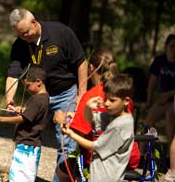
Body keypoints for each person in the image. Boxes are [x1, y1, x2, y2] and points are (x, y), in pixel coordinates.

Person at [5, 8, 88, 181]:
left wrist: (82, 94)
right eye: (20, 34)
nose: (24, 37)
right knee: (27, 133)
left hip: (65, 93)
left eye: (26, 32)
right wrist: (9, 98)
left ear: (34, 22)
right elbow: (13, 73)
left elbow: (81, 62)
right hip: (39, 97)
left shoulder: (60, 33)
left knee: (67, 141)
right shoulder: (20, 44)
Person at [54, 49, 140, 180]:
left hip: (103, 159)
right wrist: (85, 109)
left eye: (110, 101)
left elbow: (80, 133)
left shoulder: (92, 94)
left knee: (63, 171)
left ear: (91, 68)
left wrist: (61, 121)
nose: (106, 103)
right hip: (130, 155)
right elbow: (95, 120)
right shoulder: (122, 96)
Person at [61, 74, 135, 182]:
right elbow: (90, 120)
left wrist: (71, 134)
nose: (106, 104)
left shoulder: (120, 126)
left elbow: (94, 146)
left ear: (126, 101)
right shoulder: (114, 116)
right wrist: (88, 107)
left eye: (112, 100)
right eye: (106, 99)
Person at [0, 65, 49, 182]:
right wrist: (21, 110)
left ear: (38, 82)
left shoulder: (37, 100)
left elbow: (23, 119)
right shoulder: (43, 98)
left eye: (27, 86)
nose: (26, 89)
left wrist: (0, 119)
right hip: (28, 145)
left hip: (27, 146)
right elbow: (31, 115)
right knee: (19, 175)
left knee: (20, 177)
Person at [141, 34, 175, 152]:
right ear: (166, 47)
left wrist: (169, 94)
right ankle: (140, 154)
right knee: (147, 122)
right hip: (162, 100)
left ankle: (170, 157)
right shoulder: (160, 61)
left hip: (172, 101)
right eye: (172, 46)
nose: (174, 50)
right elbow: (153, 81)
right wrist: (149, 100)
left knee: (170, 120)